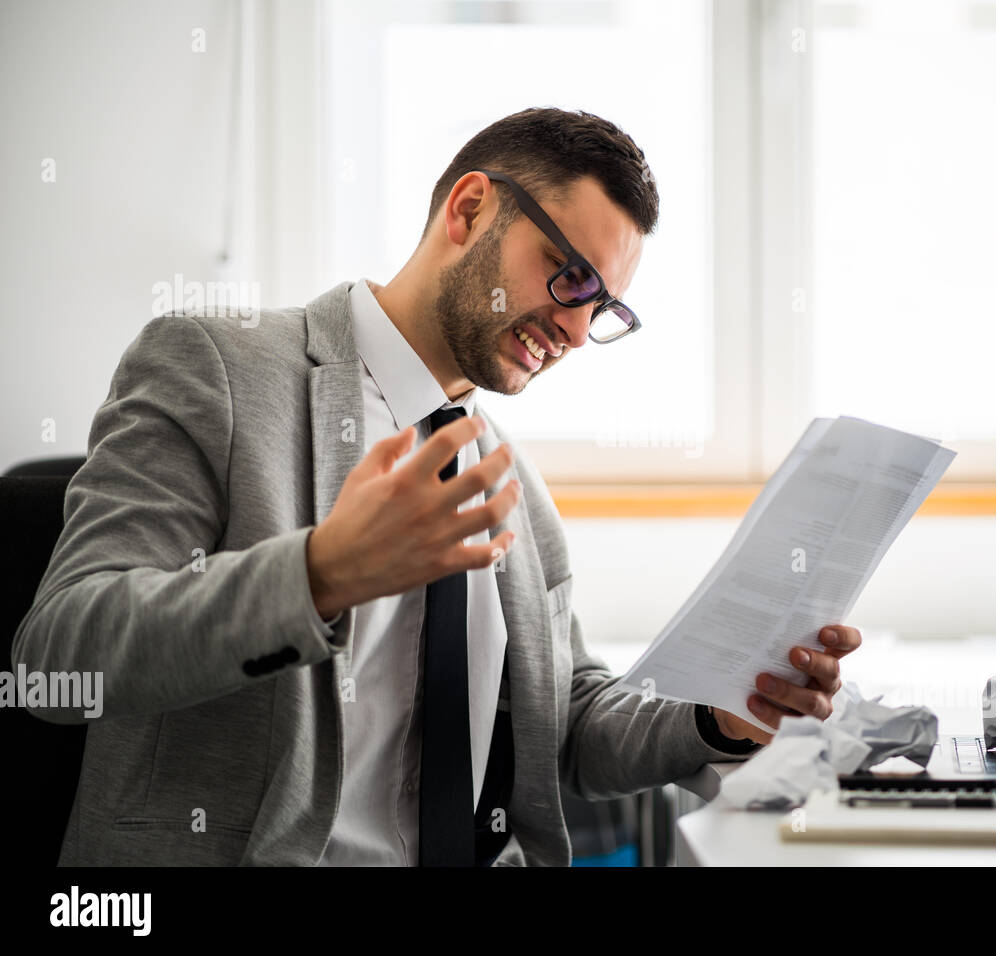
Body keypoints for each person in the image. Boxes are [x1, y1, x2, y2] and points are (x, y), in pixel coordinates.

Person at [14, 107, 861, 866]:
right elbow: (59, 653)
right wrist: (320, 574)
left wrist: (721, 720)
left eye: (602, 308)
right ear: (470, 210)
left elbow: (563, 724)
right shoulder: (218, 367)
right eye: (568, 276)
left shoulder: (513, 488)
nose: (573, 328)